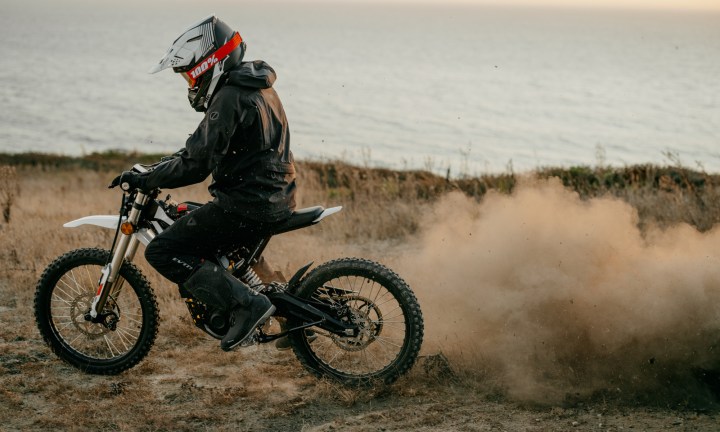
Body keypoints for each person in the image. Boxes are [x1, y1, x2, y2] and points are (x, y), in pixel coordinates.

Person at [109, 15, 296, 352]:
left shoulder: (228, 98)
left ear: (209, 63)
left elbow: (196, 165)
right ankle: (292, 315)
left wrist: (147, 178)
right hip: (272, 196)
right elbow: (199, 147)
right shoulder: (255, 86)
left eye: (189, 75)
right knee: (193, 218)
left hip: (247, 204)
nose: (190, 84)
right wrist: (158, 167)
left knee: (164, 250)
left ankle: (247, 306)